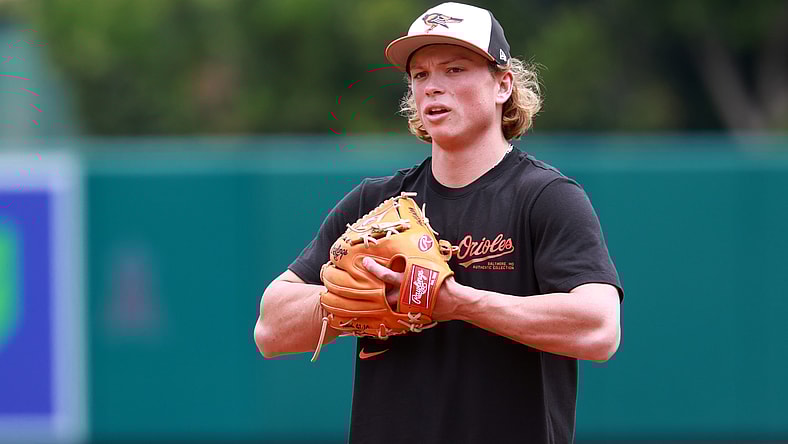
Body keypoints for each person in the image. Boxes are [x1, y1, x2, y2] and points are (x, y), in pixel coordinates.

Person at [254, 2, 623, 443]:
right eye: (421, 75)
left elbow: (600, 328)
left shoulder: (544, 198)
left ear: (503, 85)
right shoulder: (377, 202)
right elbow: (270, 328)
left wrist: (455, 302)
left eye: (454, 70)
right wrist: (348, 302)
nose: (432, 88)